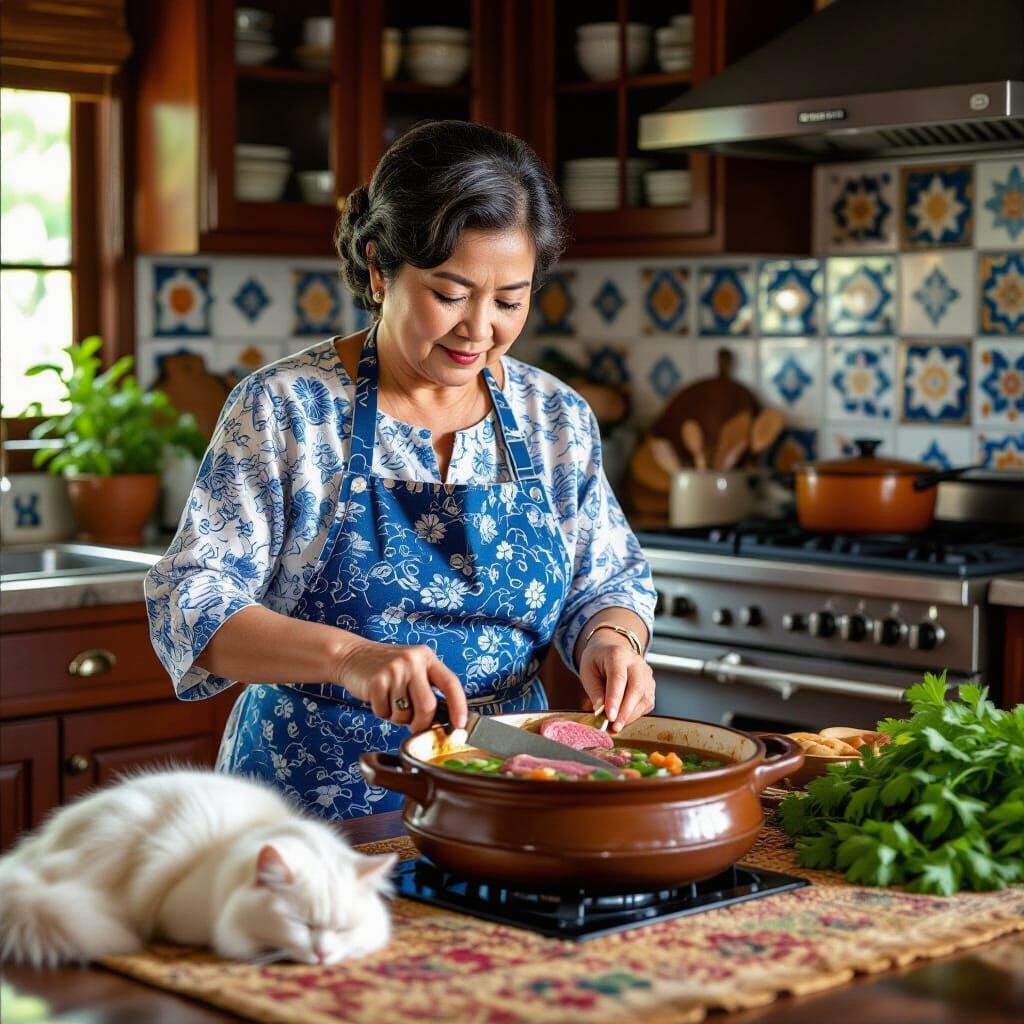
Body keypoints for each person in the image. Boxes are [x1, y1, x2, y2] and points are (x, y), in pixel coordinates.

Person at [145, 120, 657, 820]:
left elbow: (606, 581)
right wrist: (348, 658)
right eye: (450, 294)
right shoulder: (287, 408)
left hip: (506, 789)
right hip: (310, 804)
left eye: (510, 300)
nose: (480, 328)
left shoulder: (554, 417)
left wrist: (612, 639)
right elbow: (192, 601)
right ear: (380, 268)